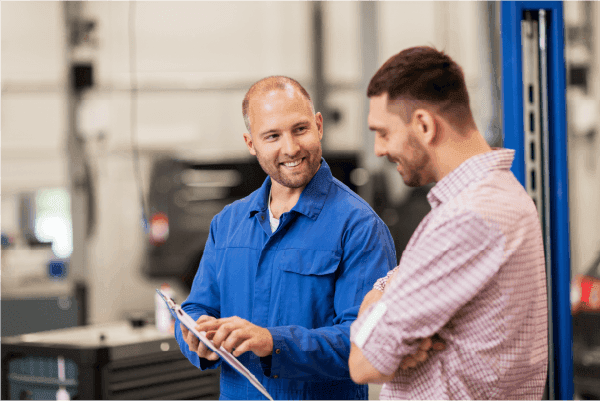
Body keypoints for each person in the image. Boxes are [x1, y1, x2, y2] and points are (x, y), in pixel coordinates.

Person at [174, 76, 398, 400]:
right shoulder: (227, 224)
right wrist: (195, 336)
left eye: (300, 129)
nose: (291, 147)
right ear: (251, 143)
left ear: (319, 126)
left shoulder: (359, 227)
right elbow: (197, 307)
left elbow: (366, 342)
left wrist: (272, 343)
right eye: (272, 136)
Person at [348, 46, 548, 400]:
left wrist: (376, 301)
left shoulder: (468, 217)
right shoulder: (498, 196)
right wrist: (384, 293)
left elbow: (364, 363)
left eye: (383, 132)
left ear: (424, 125)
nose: (378, 149)